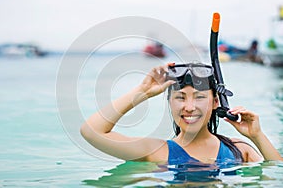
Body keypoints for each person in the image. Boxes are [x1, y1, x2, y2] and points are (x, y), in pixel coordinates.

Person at [80, 63, 283, 164]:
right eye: (180, 97)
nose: (189, 106)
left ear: (215, 103)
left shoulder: (238, 150)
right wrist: (141, 93)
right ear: (169, 103)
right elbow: (91, 132)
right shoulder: (156, 152)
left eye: (199, 97)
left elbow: (277, 176)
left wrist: (257, 136)